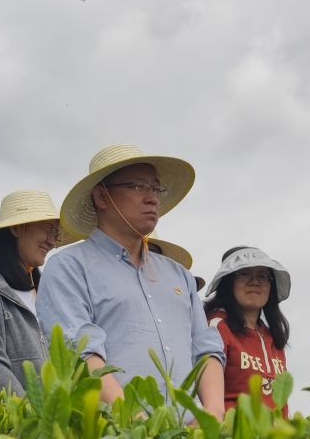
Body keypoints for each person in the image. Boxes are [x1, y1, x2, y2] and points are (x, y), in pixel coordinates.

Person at [39, 145, 224, 413]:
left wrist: (212, 417)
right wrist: (136, 423)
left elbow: (206, 348)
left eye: (156, 188)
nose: (152, 198)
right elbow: (79, 353)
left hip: (189, 432)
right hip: (116, 432)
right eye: (137, 186)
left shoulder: (179, 275)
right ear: (102, 197)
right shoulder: (69, 268)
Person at [0, 190, 77, 392]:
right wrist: (33, 412)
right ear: (17, 228)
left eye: (56, 234)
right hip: (11, 413)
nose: (52, 241)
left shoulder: (45, 294)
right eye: (47, 229)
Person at [202, 246, 292, 411]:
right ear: (229, 282)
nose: (255, 282)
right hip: (232, 427)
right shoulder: (217, 327)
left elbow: (282, 405)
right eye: (244, 274)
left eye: (262, 276)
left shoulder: (273, 337)